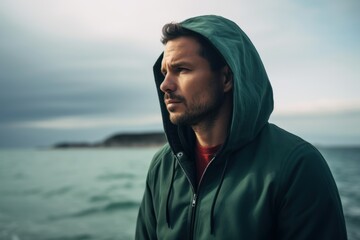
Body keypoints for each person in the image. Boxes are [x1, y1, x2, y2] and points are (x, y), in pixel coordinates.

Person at [135, 15, 347, 239]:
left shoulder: (296, 165)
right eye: (164, 72)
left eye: (182, 70)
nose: (165, 85)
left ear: (226, 78)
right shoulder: (163, 166)